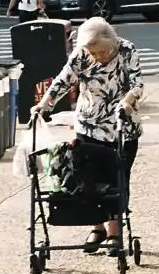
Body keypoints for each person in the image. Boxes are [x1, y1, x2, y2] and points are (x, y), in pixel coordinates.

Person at [35, 17, 143, 254]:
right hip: (89, 126)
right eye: (93, 53)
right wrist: (44, 104)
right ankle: (98, 227)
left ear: (111, 41)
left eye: (102, 52)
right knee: (88, 179)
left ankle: (115, 232)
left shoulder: (127, 50)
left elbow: (137, 84)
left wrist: (127, 101)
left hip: (122, 127)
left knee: (117, 180)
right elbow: (63, 80)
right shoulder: (82, 54)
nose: (97, 57)